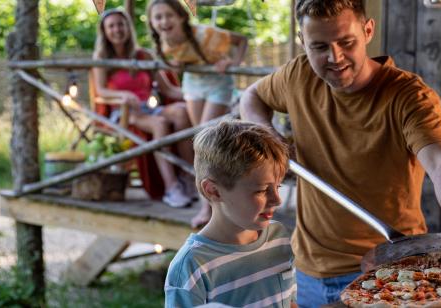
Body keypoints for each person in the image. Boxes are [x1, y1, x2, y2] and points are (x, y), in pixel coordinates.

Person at [239, 0, 441, 306]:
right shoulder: (297, 76)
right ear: (303, 41)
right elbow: (253, 96)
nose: (334, 57)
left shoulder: (409, 96)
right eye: (320, 46)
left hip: (392, 270)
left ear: (367, 31)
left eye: (346, 42)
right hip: (306, 270)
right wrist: (267, 134)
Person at [165, 120, 297, 308]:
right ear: (213, 191)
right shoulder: (191, 266)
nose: (277, 200)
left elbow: (289, 302)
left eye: (278, 187)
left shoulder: (278, 236)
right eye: (260, 190)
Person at [146, 0, 248, 228]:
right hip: (193, 83)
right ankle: (212, 201)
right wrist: (177, 65)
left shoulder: (205, 34)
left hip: (217, 83)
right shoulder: (163, 43)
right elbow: (170, 68)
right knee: (200, 143)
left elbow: (241, 40)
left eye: (169, 15)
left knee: (204, 142)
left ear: (182, 16)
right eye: (158, 17)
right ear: (152, 23)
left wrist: (233, 62)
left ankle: (207, 208)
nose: (164, 21)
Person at [92, 8, 194, 208]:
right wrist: (123, 95)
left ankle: (187, 175)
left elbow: (168, 89)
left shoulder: (144, 56)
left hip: (147, 108)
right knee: (160, 123)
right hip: (123, 113)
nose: (117, 30)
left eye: (121, 25)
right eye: (111, 26)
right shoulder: (102, 57)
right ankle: (171, 187)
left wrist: (195, 96)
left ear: (128, 28)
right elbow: (101, 91)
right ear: (104, 31)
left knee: (182, 110)